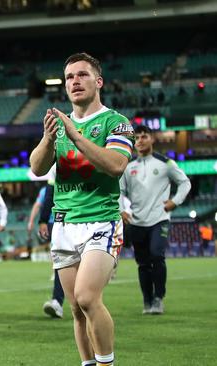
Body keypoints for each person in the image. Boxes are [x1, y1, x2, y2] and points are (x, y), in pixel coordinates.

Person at [29, 52, 134, 366]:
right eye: (69, 77)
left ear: (98, 81)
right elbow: (36, 167)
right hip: (64, 223)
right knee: (75, 307)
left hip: (101, 220)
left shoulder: (117, 122)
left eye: (82, 75)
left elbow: (115, 166)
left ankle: (106, 363)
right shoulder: (59, 126)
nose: (75, 81)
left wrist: (74, 135)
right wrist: (49, 138)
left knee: (88, 298)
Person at [119, 125, 190, 315]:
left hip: (159, 219)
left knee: (157, 255)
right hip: (136, 221)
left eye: (144, 136)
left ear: (152, 139)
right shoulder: (128, 166)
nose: (140, 140)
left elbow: (185, 182)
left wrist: (174, 202)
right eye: (137, 138)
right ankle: (147, 300)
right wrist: (121, 210)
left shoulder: (165, 163)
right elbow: (119, 191)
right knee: (142, 263)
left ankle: (158, 298)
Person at [38, 182, 66, 319]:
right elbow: (50, 193)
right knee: (61, 261)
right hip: (63, 221)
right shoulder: (58, 164)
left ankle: (89, 300)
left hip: (94, 220)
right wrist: (43, 220)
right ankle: (57, 301)